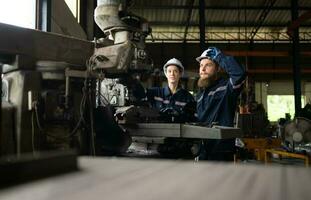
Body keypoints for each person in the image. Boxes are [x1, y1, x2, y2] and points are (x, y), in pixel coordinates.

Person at [195, 47, 246, 161]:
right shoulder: (200, 95)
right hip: (202, 149)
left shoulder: (226, 88)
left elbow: (239, 73)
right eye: (201, 65)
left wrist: (221, 58)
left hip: (220, 149)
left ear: (217, 68)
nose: (202, 69)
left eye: (208, 65)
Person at [146, 58, 196, 123]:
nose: (172, 74)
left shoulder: (188, 98)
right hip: (157, 131)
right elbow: (140, 95)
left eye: (175, 71)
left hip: (179, 132)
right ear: (166, 74)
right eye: (169, 71)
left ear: (180, 74)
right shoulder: (155, 93)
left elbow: (192, 120)